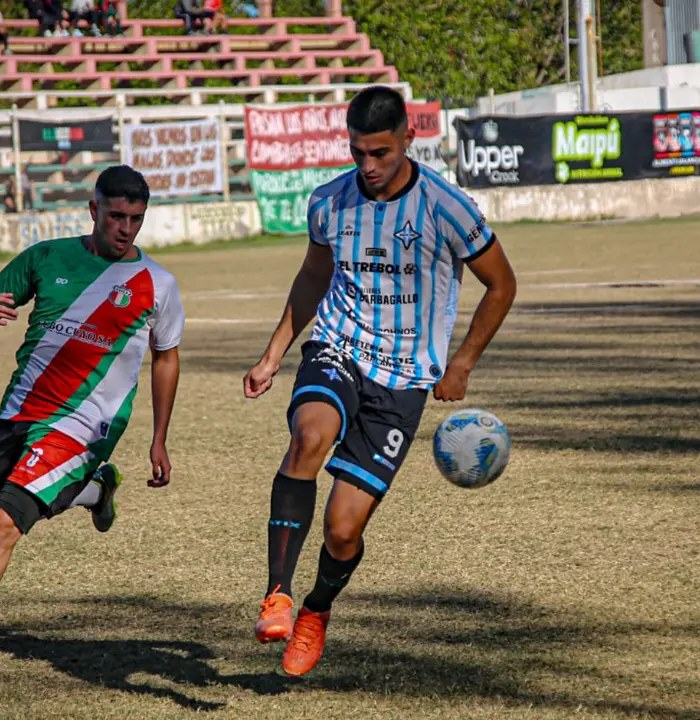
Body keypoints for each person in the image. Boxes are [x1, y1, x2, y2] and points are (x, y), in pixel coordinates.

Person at [242, 85, 517, 677]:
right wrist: (272, 356)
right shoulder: (329, 202)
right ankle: (277, 596)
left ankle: (316, 608)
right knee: (309, 436)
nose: (367, 165)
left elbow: (502, 284)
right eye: (357, 152)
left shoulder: (448, 207)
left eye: (381, 153)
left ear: (408, 139)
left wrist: (462, 362)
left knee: (342, 531)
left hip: (403, 380)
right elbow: (313, 277)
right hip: (338, 346)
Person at [0, 165, 186, 683]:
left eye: (136, 219)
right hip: (21, 410)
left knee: (3, 526)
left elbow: (166, 357)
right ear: (94, 210)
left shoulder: (157, 284)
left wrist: (159, 438)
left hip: (85, 425)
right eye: (116, 216)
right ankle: (95, 491)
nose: (126, 228)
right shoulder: (45, 257)